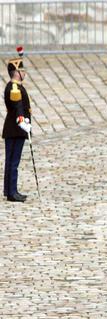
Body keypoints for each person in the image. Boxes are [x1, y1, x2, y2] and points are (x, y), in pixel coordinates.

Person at [2, 46, 32, 202]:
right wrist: (23, 122)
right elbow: (18, 106)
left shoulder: (15, 86)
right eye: (22, 70)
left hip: (13, 129)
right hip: (15, 130)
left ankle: (8, 190)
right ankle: (12, 192)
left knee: (10, 161)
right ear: (16, 73)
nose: (25, 73)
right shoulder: (14, 88)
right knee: (13, 161)